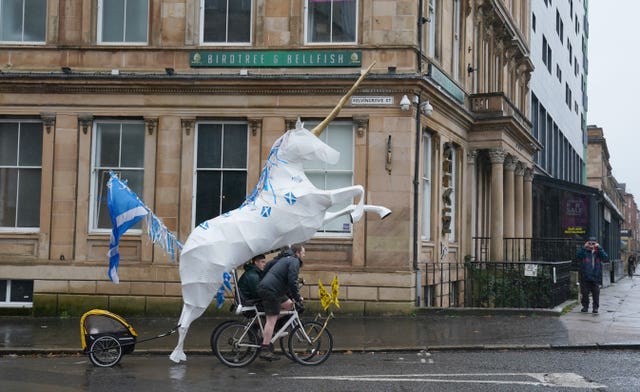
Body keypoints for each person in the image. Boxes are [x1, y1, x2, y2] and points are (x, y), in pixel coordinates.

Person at [256, 244, 305, 361]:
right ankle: (265, 348)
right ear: (297, 253)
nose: (304, 255)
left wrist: (294, 298)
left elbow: (286, 280)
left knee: (289, 304)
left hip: (274, 289)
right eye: (303, 252)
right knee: (271, 320)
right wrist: (297, 297)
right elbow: (292, 281)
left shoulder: (286, 259)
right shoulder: (294, 261)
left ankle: (267, 329)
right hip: (271, 290)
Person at [576, 237, 608, 314]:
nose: (591, 245)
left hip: (595, 277)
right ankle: (585, 307)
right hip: (585, 277)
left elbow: (605, 257)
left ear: (596, 243)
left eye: (593, 243)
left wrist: (599, 248)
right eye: (590, 243)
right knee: (585, 294)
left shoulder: (598, 252)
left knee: (596, 294)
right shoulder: (584, 252)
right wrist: (584, 247)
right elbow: (577, 256)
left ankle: (595, 308)